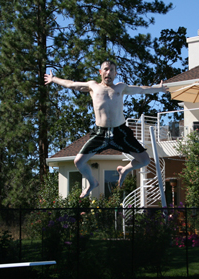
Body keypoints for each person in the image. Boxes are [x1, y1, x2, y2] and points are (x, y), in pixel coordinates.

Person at [44, 61, 167, 198]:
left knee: (145, 160)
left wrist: (158, 89)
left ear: (115, 73)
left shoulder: (121, 87)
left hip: (120, 132)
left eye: (111, 70)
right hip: (100, 133)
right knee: (78, 162)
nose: (108, 72)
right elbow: (72, 84)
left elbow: (141, 89)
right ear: (100, 72)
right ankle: (92, 183)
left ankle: (124, 169)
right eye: (106, 69)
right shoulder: (93, 86)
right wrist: (53, 79)